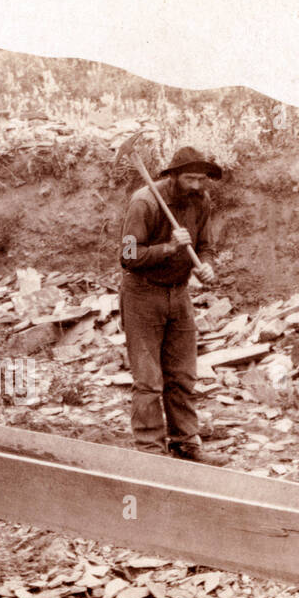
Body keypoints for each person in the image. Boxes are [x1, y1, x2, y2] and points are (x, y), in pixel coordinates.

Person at [118, 146, 229, 465]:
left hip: (179, 295)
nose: (196, 184)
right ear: (175, 176)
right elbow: (127, 257)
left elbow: (205, 246)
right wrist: (169, 247)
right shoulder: (145, 202)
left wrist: (206, 265)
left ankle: (185, 443)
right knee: (149, 379)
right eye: (190, 178)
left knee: (182, 374)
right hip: (142, 295)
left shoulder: (201, 201)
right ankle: (151, 451)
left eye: (201, 179)